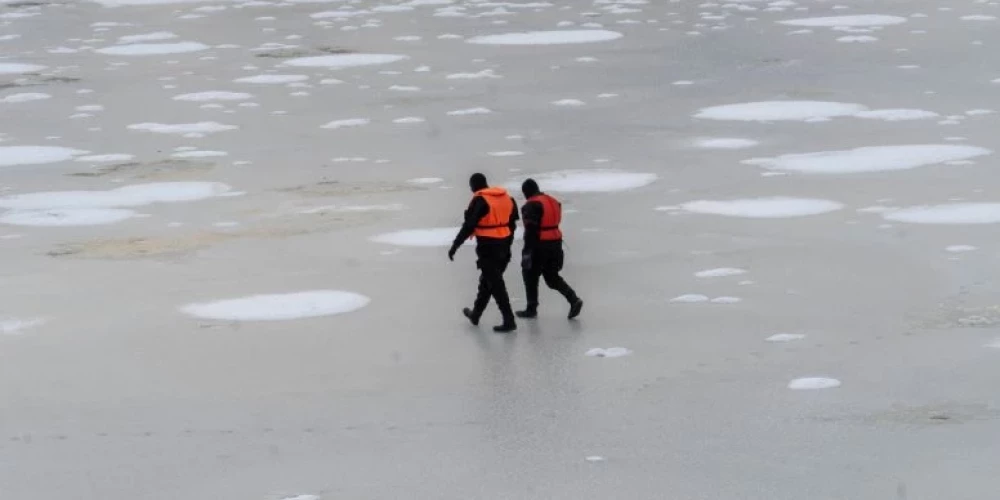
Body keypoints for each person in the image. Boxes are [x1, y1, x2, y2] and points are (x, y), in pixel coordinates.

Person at [448, 173, 519, 332]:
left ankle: (509, 320)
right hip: (504, 246)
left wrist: (455, 245)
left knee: (496, 284)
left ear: (474, 185)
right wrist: (507, 244)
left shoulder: (480, 200)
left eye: (471, 186)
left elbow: (469, 226)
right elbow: (512, 224)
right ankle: (476, 315)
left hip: (488, 248)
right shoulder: (507, 198)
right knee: (488, 281)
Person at [516, 179, 583, 319]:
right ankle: (573, 299)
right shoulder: (553, 201)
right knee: (551, 277)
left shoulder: (531, 205)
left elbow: (531, 230)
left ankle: (531, 309)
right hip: (556, 243)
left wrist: (527, 252)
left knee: (529, 274)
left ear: (526, 192)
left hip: (540, 245)